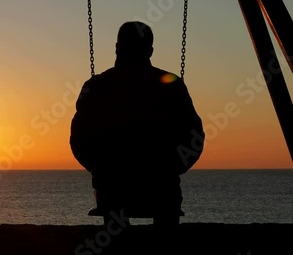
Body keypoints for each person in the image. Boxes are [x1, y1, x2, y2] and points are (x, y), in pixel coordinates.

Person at [70, 21, 205, 227]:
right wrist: (171, 169)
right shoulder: (171, 84)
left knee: (114, 240)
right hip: (162, 190)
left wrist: (100, 169)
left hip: (112, 190)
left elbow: (79, 139)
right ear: (150, 51)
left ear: (117, 47)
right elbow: (195, 137)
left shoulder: (96, 86)